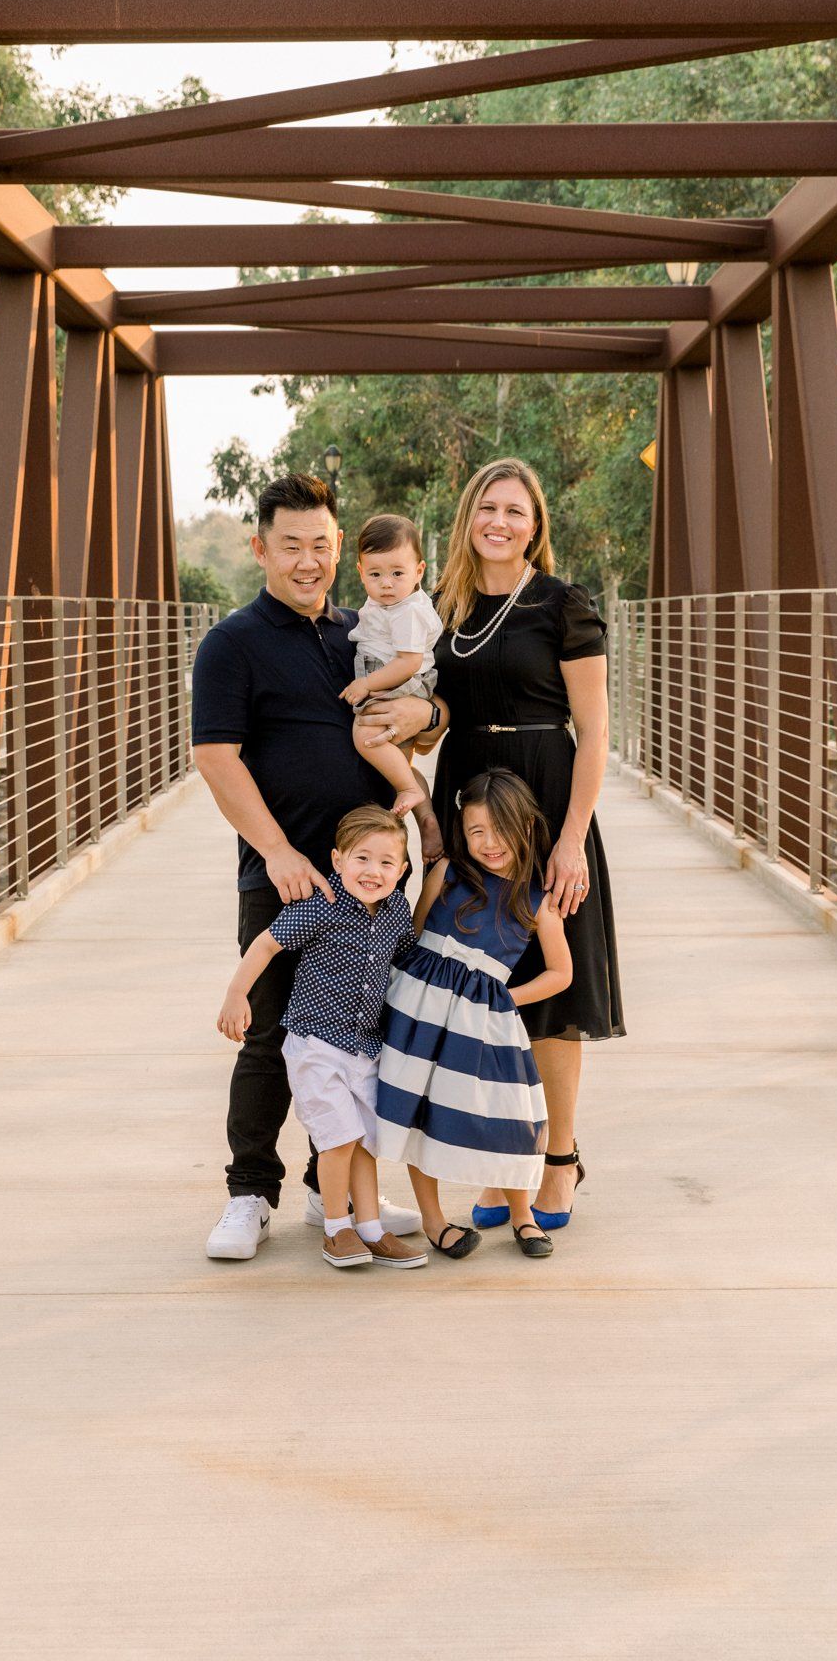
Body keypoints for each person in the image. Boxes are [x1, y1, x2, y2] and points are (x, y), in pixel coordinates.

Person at [192, 472, 436, 1262]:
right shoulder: (232, 643)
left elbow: (424, 706)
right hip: (284, 878)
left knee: (357, 1038)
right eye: (290, 545)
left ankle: (323, 1192)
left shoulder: (362, 632)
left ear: (339, 550)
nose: (307, 561)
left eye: (321, 545)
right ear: (260, 549)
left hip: (370, 882)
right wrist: (275, 850)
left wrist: (428, 711)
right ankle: (248, 1194)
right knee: (271, 1037)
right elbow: (215, 757)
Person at [384, 456, 622, 1234]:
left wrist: (571, 840)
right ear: (468, 519)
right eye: (488, 508)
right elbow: (431, 709)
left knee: (551, 996)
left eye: (515, 511)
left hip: (545, 800)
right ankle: (500, 1160)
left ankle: (559, 1158)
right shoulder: (440, 609)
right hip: (468, 797)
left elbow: (594, 731)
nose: (499, 522)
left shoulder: (561, 604)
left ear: (534, 525)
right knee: (477, 984)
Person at [217, 806, 428, 1272]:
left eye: (386, 862)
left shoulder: (396, 912)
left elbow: (408, 963)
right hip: (316, 1045)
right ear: (337, 860)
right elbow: (267, 943)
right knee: (338, 1139)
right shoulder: (322, 905)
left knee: (364, 1141)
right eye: (361, 858)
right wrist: (236, 994)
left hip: (364, 1047)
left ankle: (370, 1229)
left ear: (402, 870)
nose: (373, 871)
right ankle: (336, 1228)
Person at [375, 770, 571, 1261]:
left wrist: (505, 1000)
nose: (488, 843)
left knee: (509, 1114)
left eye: (500, 829)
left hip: (483, 1021)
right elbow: (415, 933)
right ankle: (435, 1221)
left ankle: (522, 1215)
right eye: (475, 831)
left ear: (527, 826)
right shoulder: (447, 872)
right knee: (418, 1110)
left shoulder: (538, 900)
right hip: (420, 1014)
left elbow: (561, 974)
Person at [339, 513, 444, 863]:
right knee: (396, 760)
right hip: (394, 677)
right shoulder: (389, 604)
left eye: (397, 573)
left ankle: (410, 789)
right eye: (375, 574)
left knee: (365, 736)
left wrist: (366, 684)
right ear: (361, 572)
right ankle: (425, 813)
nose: (386, 583)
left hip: (401, 682)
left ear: (419, 571)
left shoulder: (407, 611)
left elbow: (409, 662)